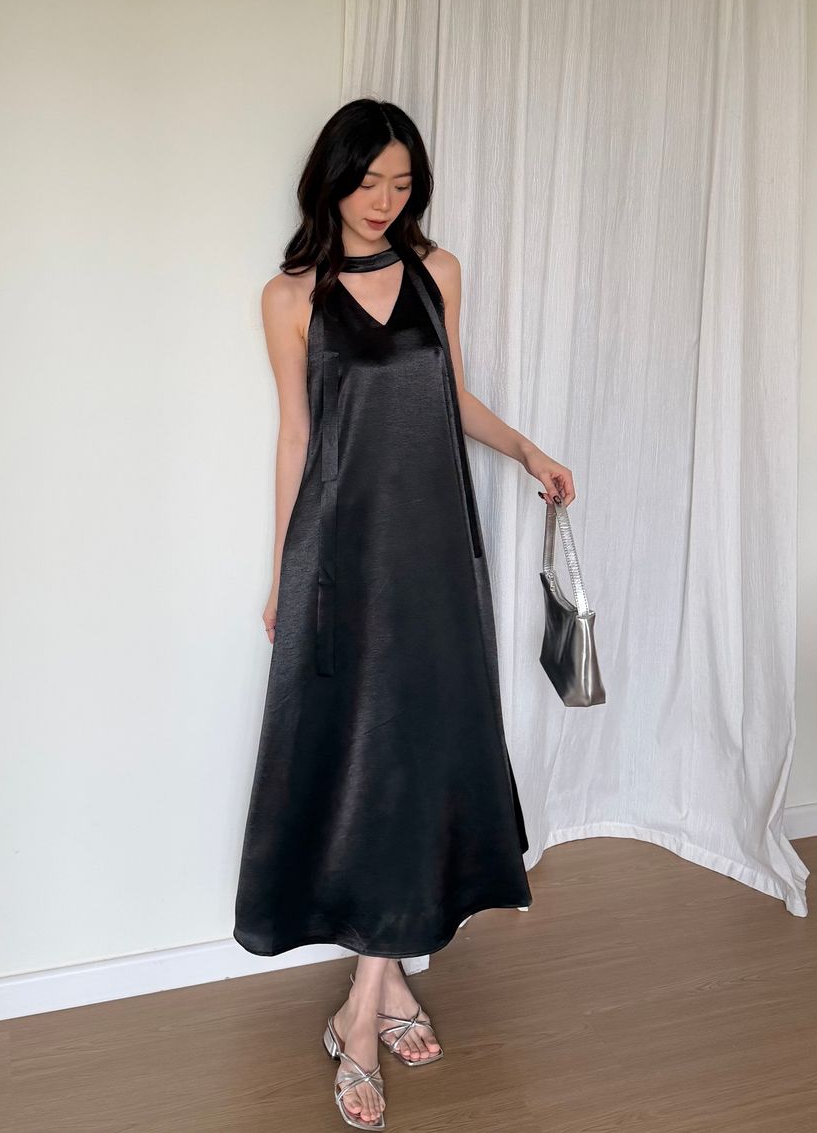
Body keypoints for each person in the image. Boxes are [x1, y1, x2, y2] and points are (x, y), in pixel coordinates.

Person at [233, 98, 575, 1129]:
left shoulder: (438, 272)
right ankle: (372, 1004)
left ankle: (365, 1004)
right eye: (368, 181)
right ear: (330, 182)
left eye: (402, 182)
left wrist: (525, 449)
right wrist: (283, 572)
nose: (384, 200)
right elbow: (296, 435)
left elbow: (449, 397)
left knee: (418, 756)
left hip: (432, 554)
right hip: (342, 556)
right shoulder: (290, 297)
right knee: (362, 762)